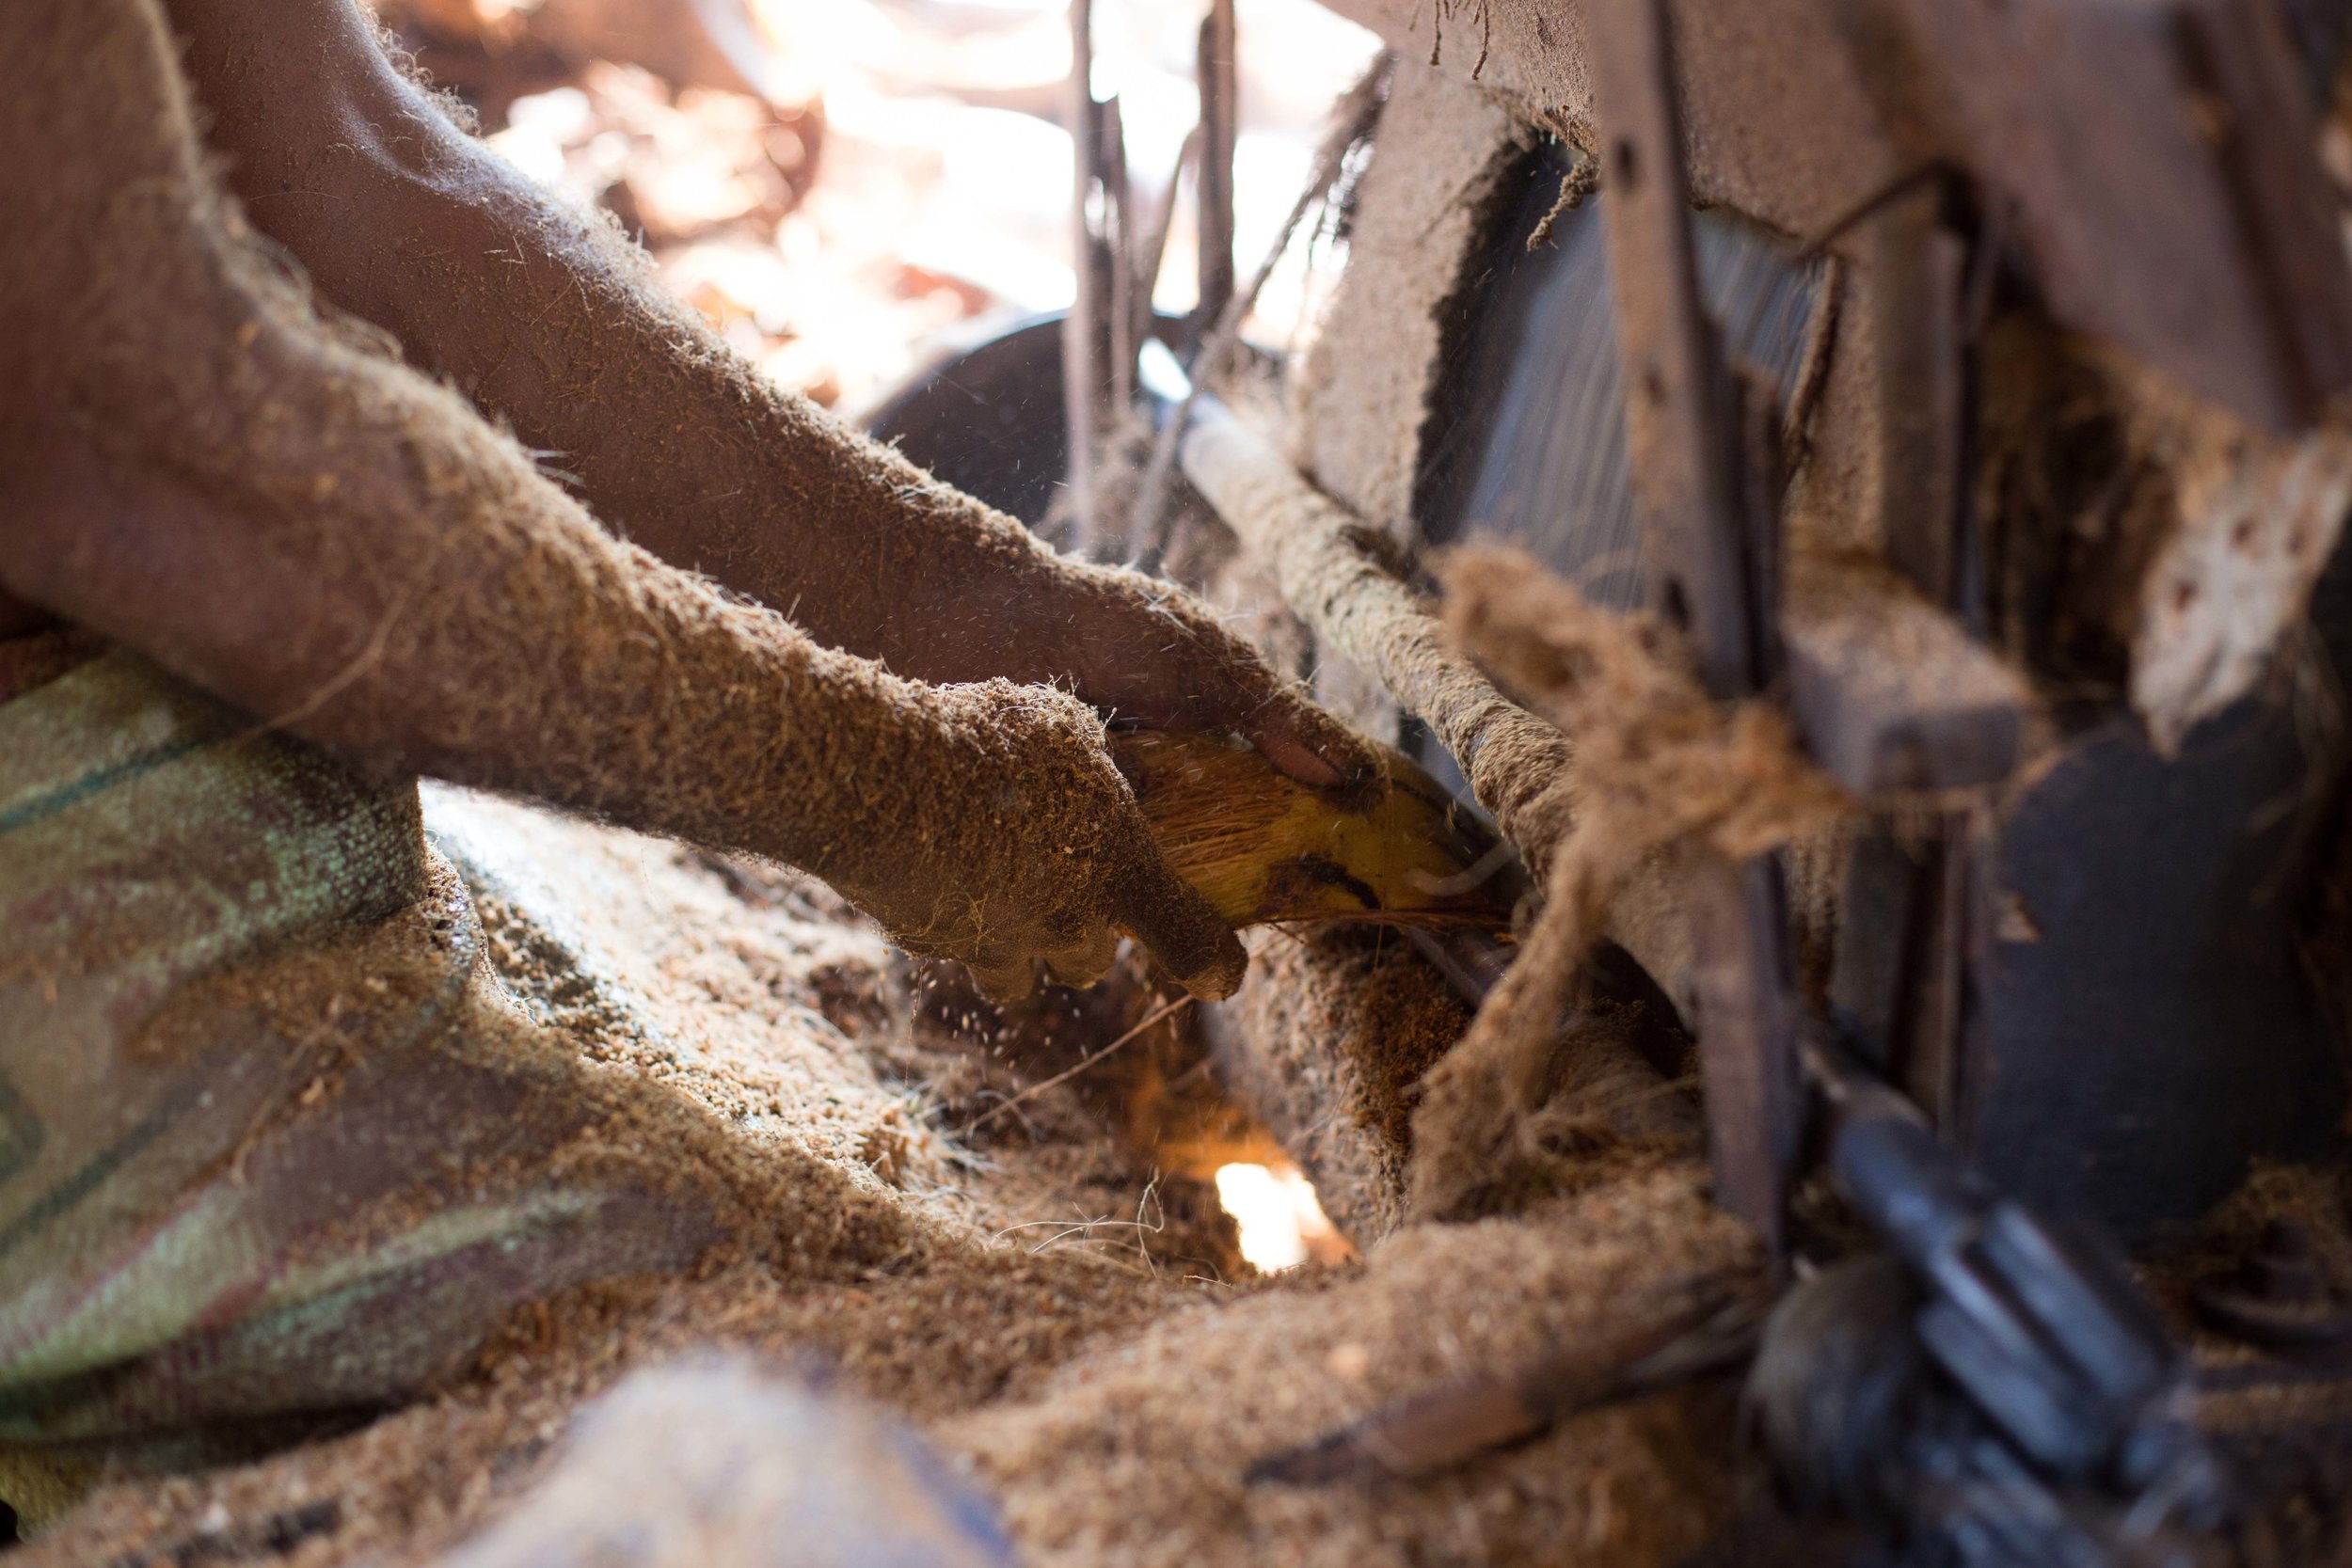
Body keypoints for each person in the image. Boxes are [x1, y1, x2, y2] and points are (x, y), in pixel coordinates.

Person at [0, 0, 1365, 1453]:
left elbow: (362, 171)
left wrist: (966, 592)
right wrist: (889, 789)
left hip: (220, 745)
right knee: (916, 1427)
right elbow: (144, 446)